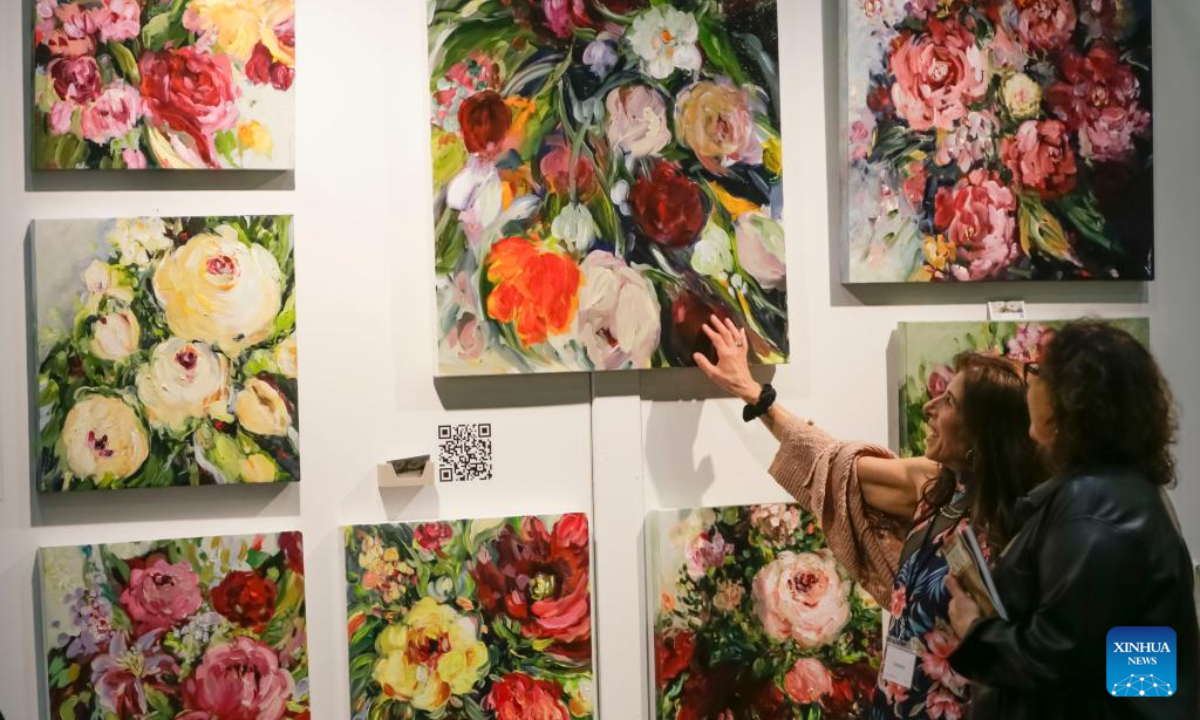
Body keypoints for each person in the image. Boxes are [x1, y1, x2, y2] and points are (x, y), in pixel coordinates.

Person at [694, 316, 1044, 720]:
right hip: (892, 706)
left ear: (983, 434)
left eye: (948, 401)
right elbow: (829, 462)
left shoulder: (1017, 526)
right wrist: (754, 393)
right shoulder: (935, 487)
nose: (929, 407)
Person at [947, 320, 1200, 719]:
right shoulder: (1119, 495)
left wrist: (976, 631)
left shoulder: (1095, 506)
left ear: (1072, 400)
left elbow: (1064, 654)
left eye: (1040, 373)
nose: (1031, 383)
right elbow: (1122, 661)